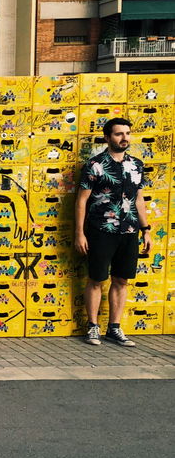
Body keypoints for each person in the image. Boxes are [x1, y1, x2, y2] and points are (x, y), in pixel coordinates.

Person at [74, 117, 150, 347]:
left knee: (122, 280)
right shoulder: (95, 165)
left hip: (129, 231)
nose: (124, 137)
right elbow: (81, 201)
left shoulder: (136, 165)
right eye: (119, 134)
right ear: (107, 137)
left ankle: (114, 328)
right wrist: (79, 233)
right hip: (101, 230)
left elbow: (139, 198)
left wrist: (146, 230)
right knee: (96, 278)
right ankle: (93, 326)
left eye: (127, 133)